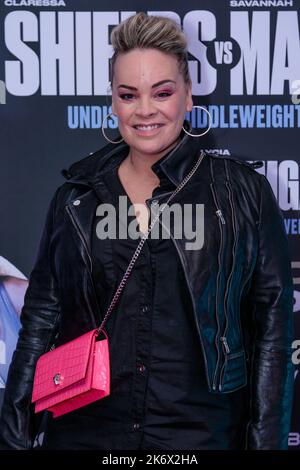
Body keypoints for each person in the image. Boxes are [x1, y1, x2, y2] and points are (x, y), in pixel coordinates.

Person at [0, 12, 294, 450]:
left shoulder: (241, 194)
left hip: (199, 435)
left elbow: (271, 328)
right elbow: (42, 317)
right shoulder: (76, 198)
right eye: (128, 94)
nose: (145, 110)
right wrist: (15, 435)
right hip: (87, 432)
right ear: (113, 103)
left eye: (162, 92)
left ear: (188, 97)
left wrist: (264, 441)